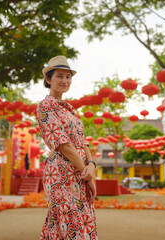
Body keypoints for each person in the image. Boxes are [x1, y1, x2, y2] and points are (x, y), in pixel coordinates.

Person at [37, 56, 98, 240]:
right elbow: (64, 145)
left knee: (69, 224)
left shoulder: (69, 109)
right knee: (72, 225)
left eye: (68, 77)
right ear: (48, 79)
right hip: (60, 174)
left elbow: (83, 142)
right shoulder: (45, 106)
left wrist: (92, 168)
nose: (65, 81)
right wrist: (85, 171)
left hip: (80, 172)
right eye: (60, 76)